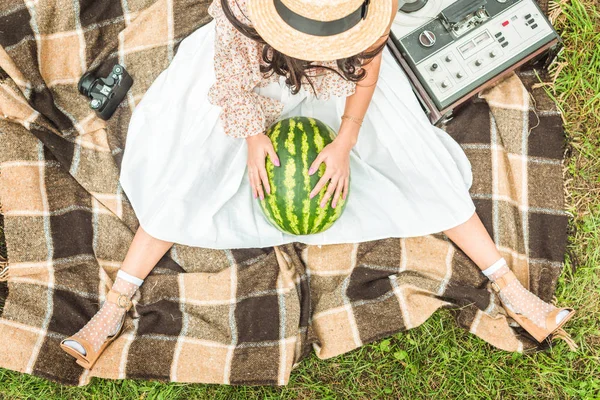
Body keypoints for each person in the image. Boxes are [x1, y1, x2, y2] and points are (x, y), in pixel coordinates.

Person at [59, 0, 576, 370]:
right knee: (188, 178)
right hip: (253, 90)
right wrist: (255, 137)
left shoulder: (367, 13)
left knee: (423, 168)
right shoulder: (245, 20)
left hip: (335, 94)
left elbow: (368, 74)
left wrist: (346, 140)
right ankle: (115, 306)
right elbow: (234, 86)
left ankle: (509, 288)